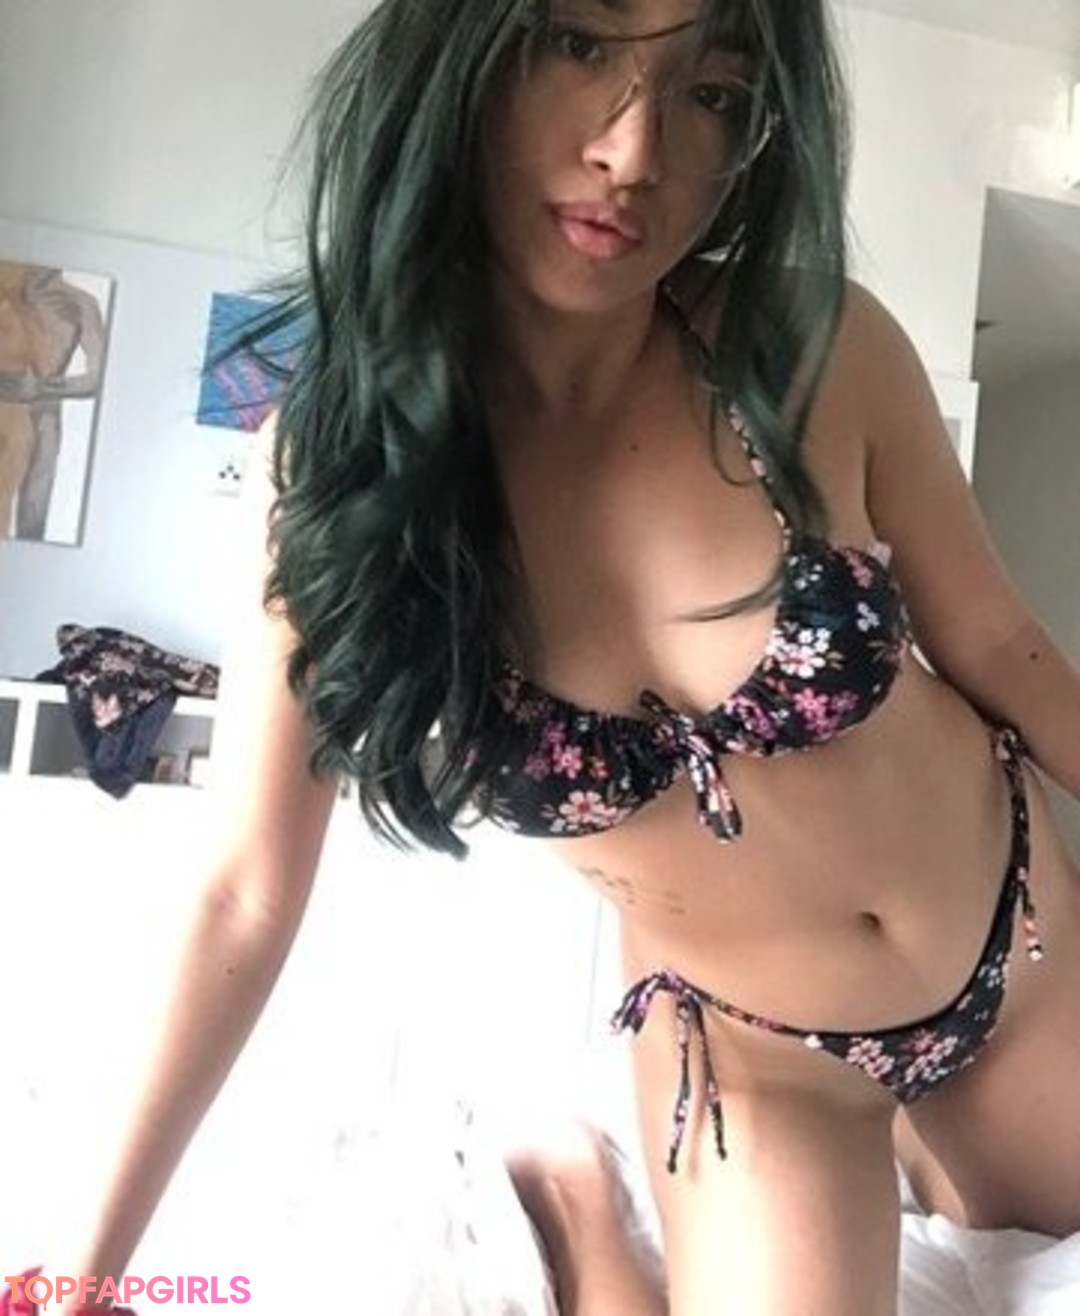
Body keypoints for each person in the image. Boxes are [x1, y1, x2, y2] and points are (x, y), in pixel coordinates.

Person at [32, 0, 1080, 1312]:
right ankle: (582, 1204)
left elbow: (1000, 645)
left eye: (713, 94)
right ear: (459, 57)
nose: (634, 152)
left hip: (1022, 947)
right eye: (577, 46)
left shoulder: (814, 346)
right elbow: (246, 890)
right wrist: (84, 1269)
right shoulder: (343, 479)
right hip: (758, 1055)